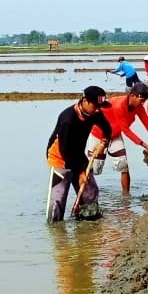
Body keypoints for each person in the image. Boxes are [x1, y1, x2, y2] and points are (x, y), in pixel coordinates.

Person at [89, 81, 148, 193]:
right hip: (99, 134)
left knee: (124, 165)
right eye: (141, 100)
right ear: (132, 95)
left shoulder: (138, 107)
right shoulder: (119, 106)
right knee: (94, 170)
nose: (142, 104)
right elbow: (126, 130)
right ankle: (88, 194)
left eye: (144, 101)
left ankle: (126, 198)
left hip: (115, 134)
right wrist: (145, 145)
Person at [46, 86, 111, 222]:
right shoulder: (67, 119)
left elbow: (107, 128)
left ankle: (88, 228)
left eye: (101, 106)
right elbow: (66, 152)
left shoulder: (95, 113)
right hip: (60, 159)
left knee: (90, 192)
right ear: (85, 101)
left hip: (78, 155)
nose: (99, 110)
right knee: (57, 203)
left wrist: (103, 143)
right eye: (96, 106)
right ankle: (57, 233)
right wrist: (80, 173)